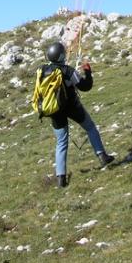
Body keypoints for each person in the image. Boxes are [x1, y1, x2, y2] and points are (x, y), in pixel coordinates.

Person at [40, 41, 113, 187]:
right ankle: (102, 156)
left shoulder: (42, 71)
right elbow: (85, 86)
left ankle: (61, 179)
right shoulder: (68, 71)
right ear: (61, 56)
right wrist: (87, 71)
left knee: (61, 142)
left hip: (54, 110)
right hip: (73, 107)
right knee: (90, 127)